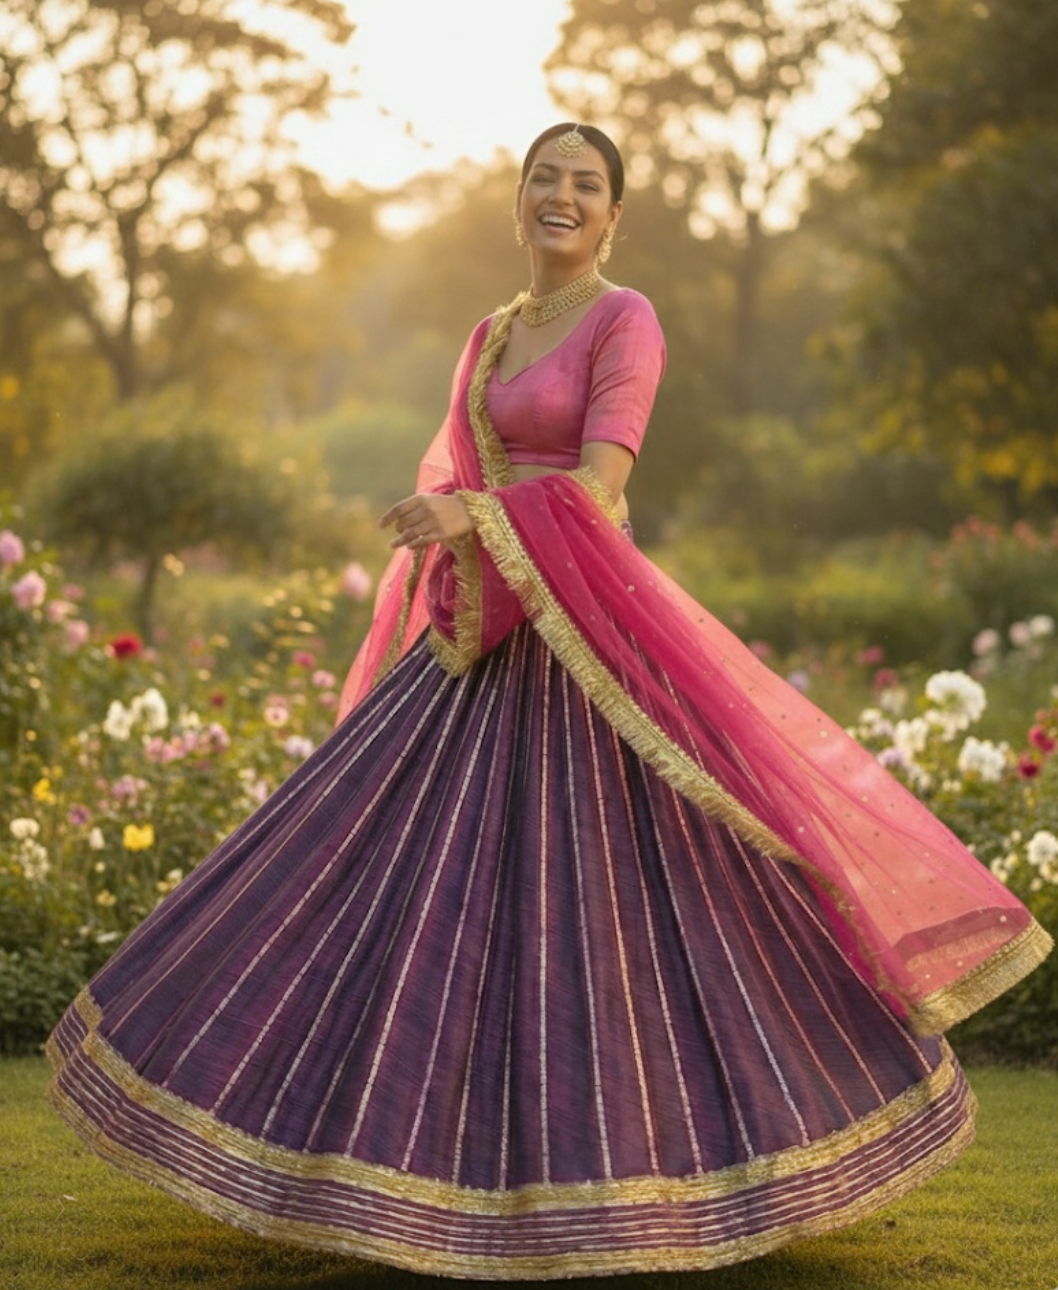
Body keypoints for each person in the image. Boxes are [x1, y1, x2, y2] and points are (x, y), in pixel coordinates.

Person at [48, 123, 1051, 1280]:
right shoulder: (489, 333)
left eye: (585, 184)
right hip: (481, 638)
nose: (561, 196)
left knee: (630, 905)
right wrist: (459, 528)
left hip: (586, 641)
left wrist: (472, 517)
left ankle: (656, 1174)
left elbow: (600, 487)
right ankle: (381, 1162)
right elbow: (464, 468)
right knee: (374, 870)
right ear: (517, 200)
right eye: (544, 179)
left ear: (613, 216)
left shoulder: (625, 320)